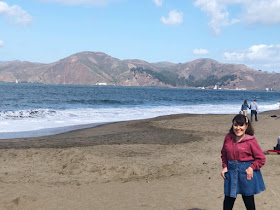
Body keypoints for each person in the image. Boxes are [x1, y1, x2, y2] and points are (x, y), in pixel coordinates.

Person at [221, 114, 266, 210]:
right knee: (228, 203)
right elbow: (223, 153)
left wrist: (251, 168)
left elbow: (261, 158)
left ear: (246, 126)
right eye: (235, 125)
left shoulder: (251, 141)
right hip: (231, 172)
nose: (238, 128)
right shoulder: (228, 138)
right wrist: (225, 166)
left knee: (249, 202)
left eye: (241, 125)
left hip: (246, 174)